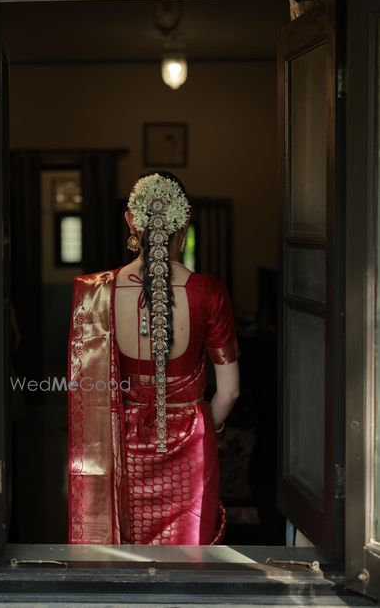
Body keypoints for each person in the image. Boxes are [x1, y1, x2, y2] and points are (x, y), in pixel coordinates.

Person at [67, 171, 240, 545]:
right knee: (188, 560)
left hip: (123, 446)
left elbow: (88, 392)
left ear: (131, 221)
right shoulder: (209, 293)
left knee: (126, 557)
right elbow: (229, 393)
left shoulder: (97, 292)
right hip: (192, 446)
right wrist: (206, 428)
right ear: (184, 219)